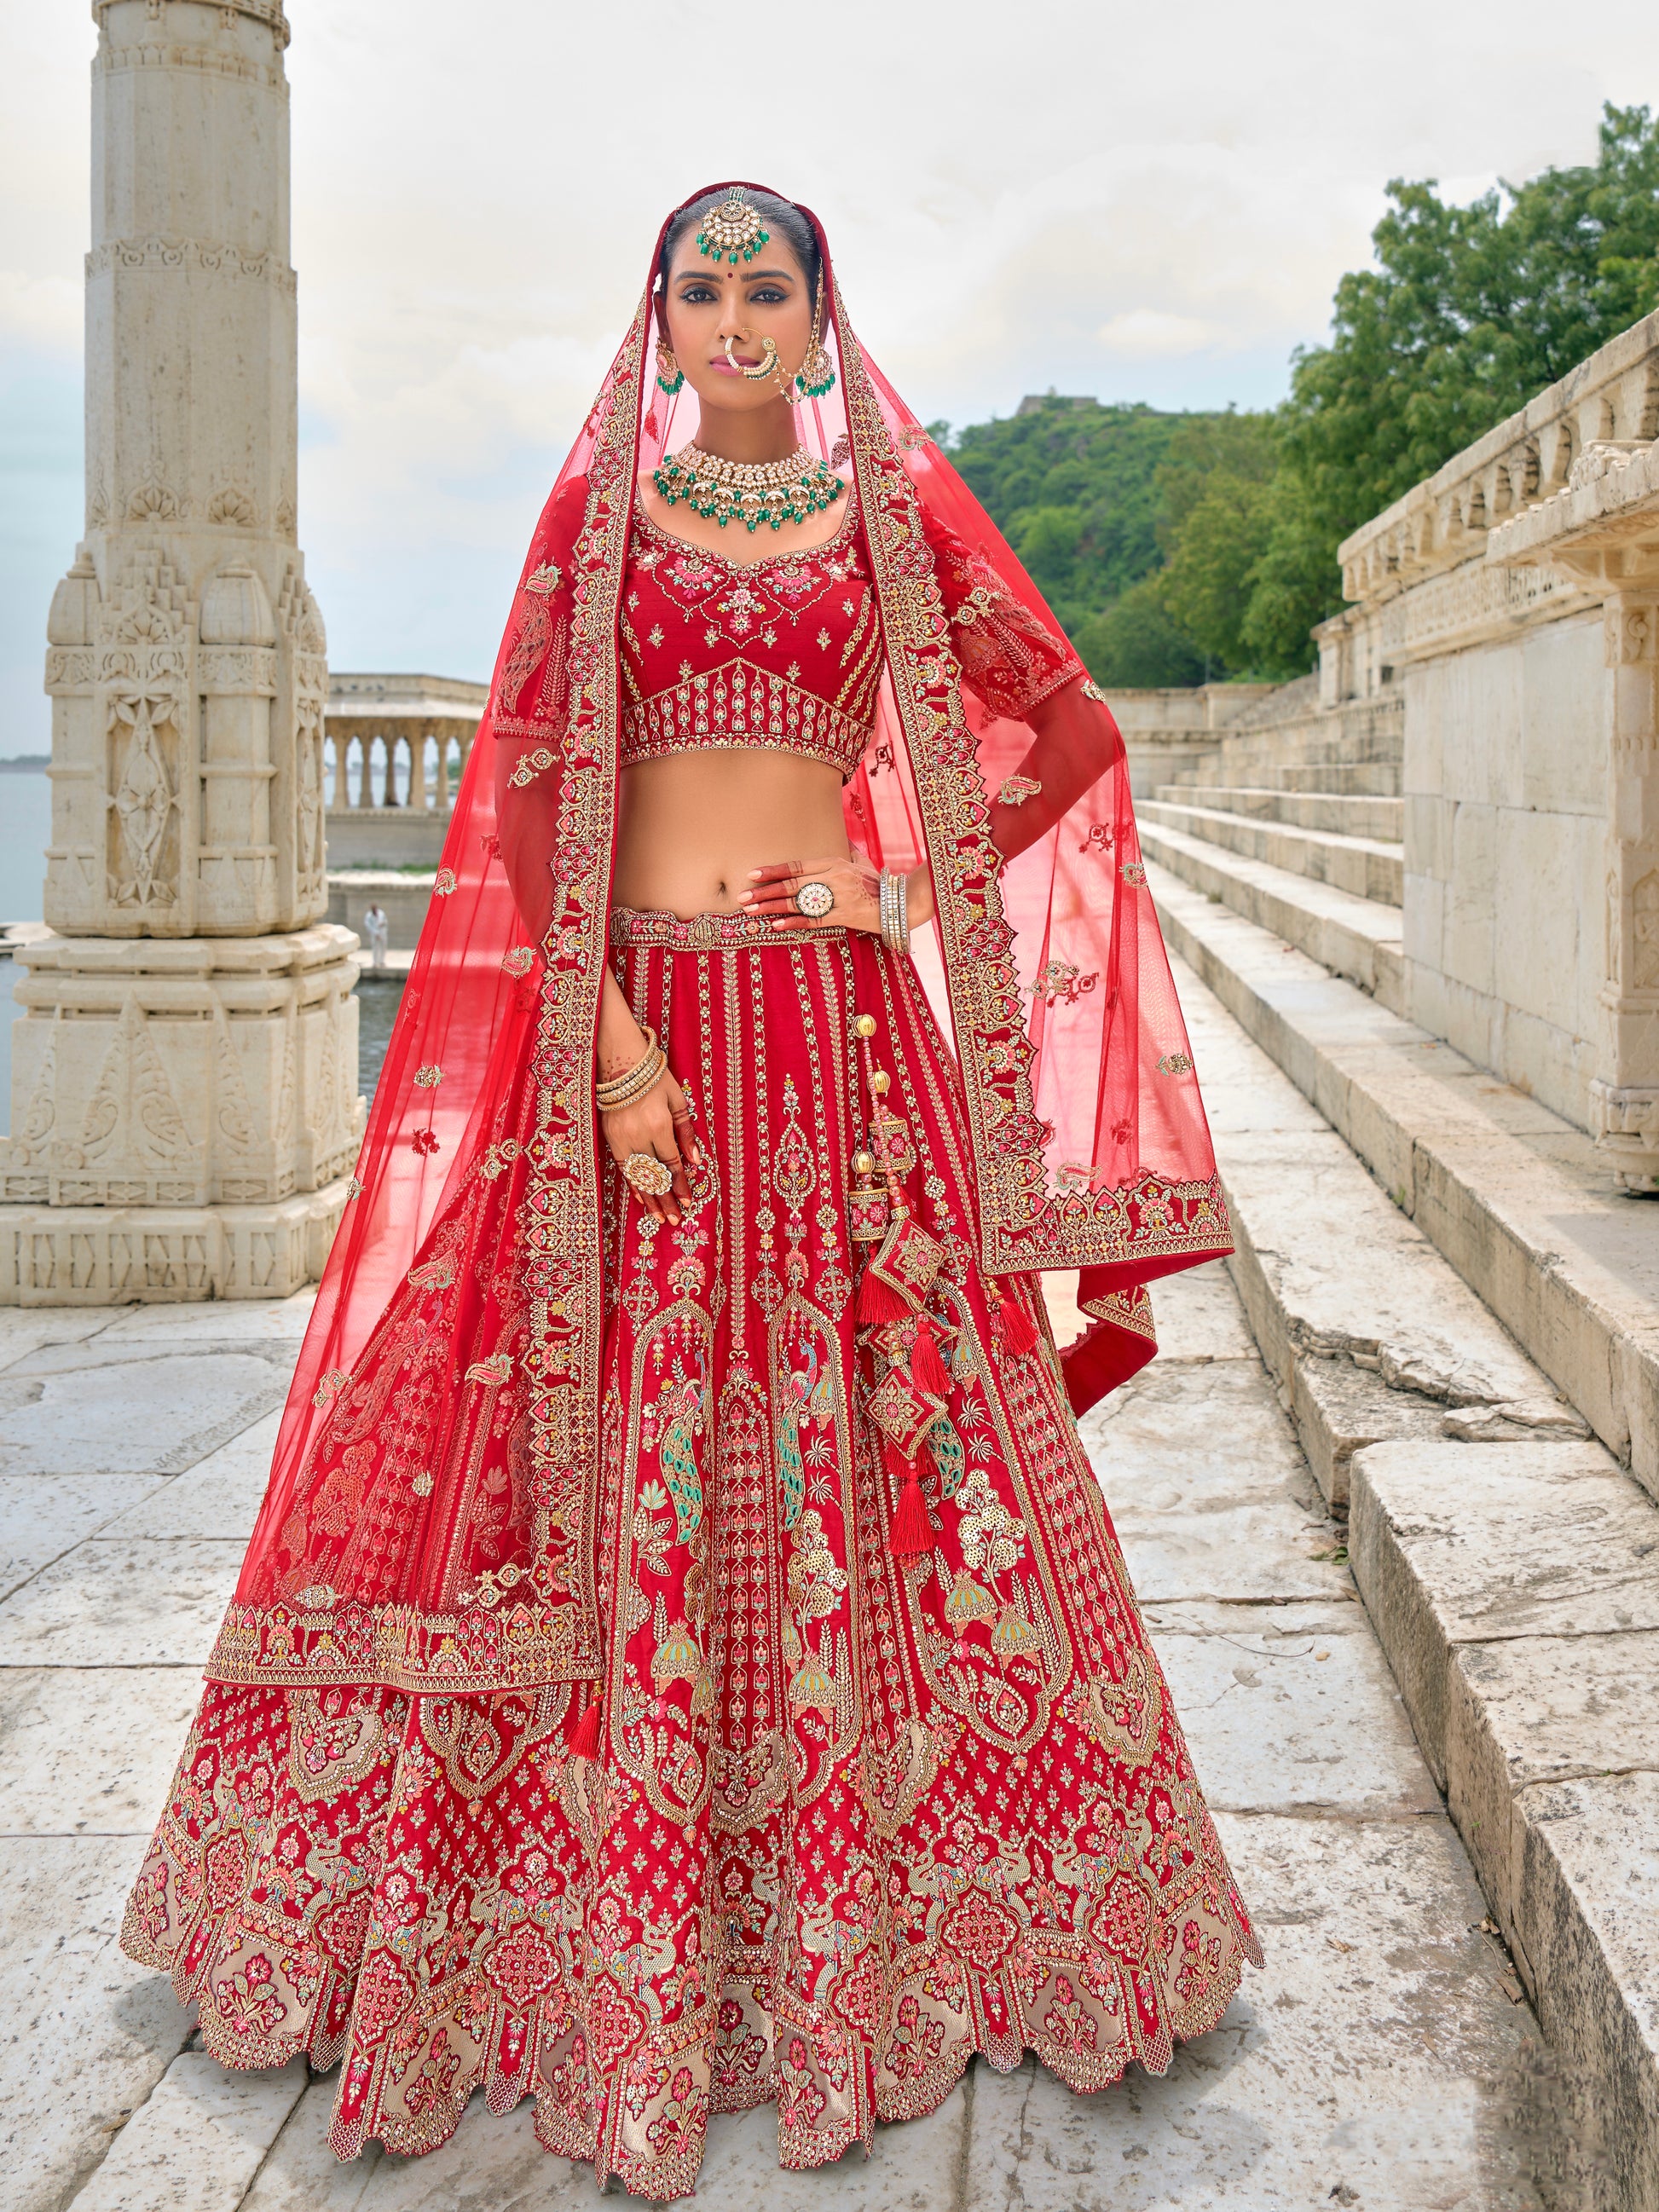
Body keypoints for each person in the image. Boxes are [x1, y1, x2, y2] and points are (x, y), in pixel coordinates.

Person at [122, 186, 1260, 2198]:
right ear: (657, 322)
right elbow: (543, 778)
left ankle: (931, 1920)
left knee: (891, 1468)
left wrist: (899, 880)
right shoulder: (603, 526)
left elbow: (1069, 729)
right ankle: (546, 1925)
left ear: (824, 319)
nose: (733, 319)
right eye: (700, 289)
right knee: (571, 1464)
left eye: (769, 290)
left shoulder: (895, 521)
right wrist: (621, 1054)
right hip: (636, 1047)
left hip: (840, 1048)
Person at [361, 899, 388, 969]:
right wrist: (376, 934)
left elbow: (385, 921)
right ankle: (375, 962)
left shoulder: (381, 913)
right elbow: (368, 926)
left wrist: (383, 923)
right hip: (375, 934)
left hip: (382, 933)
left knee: (383, 947)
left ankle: (382, 961)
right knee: (375, 948)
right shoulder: (369, 916)